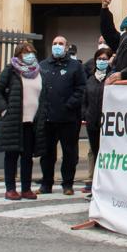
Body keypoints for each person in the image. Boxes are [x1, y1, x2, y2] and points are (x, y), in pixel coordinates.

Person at [0, 42, 46, 200]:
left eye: (31, 52)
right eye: (25, 52)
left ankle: (26, 188)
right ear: (18, 55)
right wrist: (4, 110)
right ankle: (10, 189)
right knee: (11, 156)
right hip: (14, 120)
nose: (29, 55)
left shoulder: (38, 72)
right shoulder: (11, 70)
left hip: (32, 121)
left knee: (27, 157)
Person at [37, 34, 86, 196]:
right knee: (47, 153)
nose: (57, 46)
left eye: (60, 43)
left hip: (69, 118)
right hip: (48, 118)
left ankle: (67, 184)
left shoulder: (75, 66)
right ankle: (46, 183)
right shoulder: (43, 65)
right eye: (54, 43)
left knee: (69, 153)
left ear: (66, 47)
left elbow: (81, 88)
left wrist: (69, 104)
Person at [82, 45, 113, 195]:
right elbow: (85, 99)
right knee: (95, 153)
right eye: (99, 59)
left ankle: (107, 187)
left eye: (105, 59)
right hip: (92, 123)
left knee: (106, 155)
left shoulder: (112, 78)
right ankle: (96, 187)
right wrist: (86, 114)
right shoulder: (90, 79)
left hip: (107, 124)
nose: (102, 61)